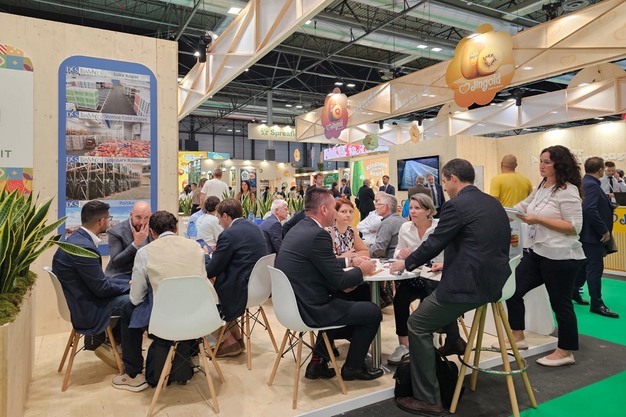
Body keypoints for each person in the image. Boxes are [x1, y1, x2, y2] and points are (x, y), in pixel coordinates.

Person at [389, 159, 511, 415]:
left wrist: (406, 263)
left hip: (467, 286)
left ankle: (428, 398)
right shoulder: (493, 203)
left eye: (444, 181)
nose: (444, 187)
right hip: (495, 285)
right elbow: (483, 244)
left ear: (453, 178)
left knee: (417, 324)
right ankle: (453, 340)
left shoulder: (456, 205)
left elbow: (435, 242)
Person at [275, 187, 383, 381]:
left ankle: (318, 362)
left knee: (346, 298)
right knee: (372, 312)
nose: (336, 212)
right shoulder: (319, 235)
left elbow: (322, 263)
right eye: (334, 208)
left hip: (291, 305)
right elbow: (339, 281)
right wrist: (362, 270)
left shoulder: (298, 228)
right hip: (310, 309)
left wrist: (350, 262)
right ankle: (353, 368)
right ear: (324, 209)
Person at [504, 145, 585, 367]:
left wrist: (538, 220)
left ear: (560, 164)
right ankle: (517, 337)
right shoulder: (542, 186)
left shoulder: (568, 190)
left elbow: (574, 227)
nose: (542, 165)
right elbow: (523, 206)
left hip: (561, 257)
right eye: (540, 161)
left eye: (547, 162)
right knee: (512, 289)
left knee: (561, 304)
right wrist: (503, 213)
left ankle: (565, 351)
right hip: (537, 252)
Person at [111, 210, 209, 392]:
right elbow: (201, 280)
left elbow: (136, 298)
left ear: (152, 232)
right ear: (176, 228)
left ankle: (133, 374)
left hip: (164, 319)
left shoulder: (145, 253)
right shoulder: (195, 247)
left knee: (128, 310)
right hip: (199, 316)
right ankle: (193, 356)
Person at [388, 193, 465, 364]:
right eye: (411, 208)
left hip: (435, 276)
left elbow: (455, 252)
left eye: (417, 208)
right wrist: (400, 253)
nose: (413, 211)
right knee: (399, 300)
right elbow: (396, 252)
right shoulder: (405, 228)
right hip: (413, 276)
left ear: (428, 211)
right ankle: (404, 345)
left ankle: (427, 344)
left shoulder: (440, 227)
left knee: (429, 301)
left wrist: (444, 264)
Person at [52, 201, 130, 366]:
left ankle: (116, 346)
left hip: (78, 298)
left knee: (127, 288)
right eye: (109, 218)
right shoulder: (84, 248)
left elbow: (98, 281)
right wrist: (130, 286)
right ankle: (124, 354)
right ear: (101, 221)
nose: (109, 222)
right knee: (134, 300)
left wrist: (125, 283)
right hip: (86, 307)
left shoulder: (75, 240)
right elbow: (102, 289)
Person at [205, 198, 267, 356]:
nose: (219, 223)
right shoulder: (254, 227)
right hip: (259, 287)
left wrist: (205, 262)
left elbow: (213, 268)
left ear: (225, 216)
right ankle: (236, 338)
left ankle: (228, 341)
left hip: (240, 289)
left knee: (203, 293)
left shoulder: (228, 234)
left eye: (219, 218)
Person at [572, 157, 619, 318]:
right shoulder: (592, 185)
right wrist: (603, 230)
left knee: (584, 267)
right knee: (595, 269)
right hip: (592, 236)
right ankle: (597, 303)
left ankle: (574, 292)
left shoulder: (585, 183)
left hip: (586, 235)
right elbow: (589, 209)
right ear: (600, 170)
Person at [105, 201, 152, 280]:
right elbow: (116, 262)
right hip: (122, 274)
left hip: (145, 274)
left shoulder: (152, 228)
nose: (142, 222)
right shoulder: (116, 231)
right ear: (131, 215)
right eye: (138, 217)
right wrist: (136, 244)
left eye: (146, 218)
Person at [369, 193, 405, 259]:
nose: (376, 207)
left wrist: (365, 249)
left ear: (386, 207)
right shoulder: (402, 220)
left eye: (379, 204)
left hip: (389, 260)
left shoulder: (387, 223)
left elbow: (379, 250)